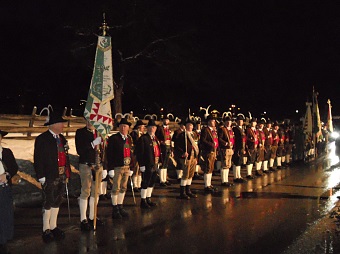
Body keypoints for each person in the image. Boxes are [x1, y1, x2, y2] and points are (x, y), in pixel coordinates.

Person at [34, 112, 71, 243]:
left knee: (57, 200)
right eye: (61, 123)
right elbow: (38, 159)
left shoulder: (62, 138)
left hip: (61, 174)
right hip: (49, 175)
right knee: (48, 201)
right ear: (54, 124)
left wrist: (67, 172)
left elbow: (66, 157)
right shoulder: (42, 139)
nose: (63, 126)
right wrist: (41, 176)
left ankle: (53, 225)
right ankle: (46, 229)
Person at [75, 120, 105, 231]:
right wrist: (92, 144)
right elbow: (80, 150)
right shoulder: (81, 132)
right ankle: (83, 219)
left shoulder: (99, 133)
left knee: (96, 192)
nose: (89, 122)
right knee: (85, 191)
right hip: (86, 165)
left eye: (92, 120)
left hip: (98, 165)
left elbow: (103, 151)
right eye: (87, 120)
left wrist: (104, 166)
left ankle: (93, 216)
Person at [107, 118, 134, 219]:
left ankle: (120, 206)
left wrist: (132, 166)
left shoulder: (129, 138)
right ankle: (115, 208)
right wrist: (110, 168)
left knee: (123, 187)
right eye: (121, 126)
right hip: (117, 167)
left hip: (126, 166)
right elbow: (109, 154)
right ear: (118, 127)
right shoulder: (114, 138)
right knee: (116, 188)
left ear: (128, 128)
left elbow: (131, 153)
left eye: (125, 126)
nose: (123, 128)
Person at [135, 119, 161, 209]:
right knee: (145, 182)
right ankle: (143, 200)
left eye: (153, 127)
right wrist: (141, 165)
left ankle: (148, 198)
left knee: (152, 182)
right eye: (150, 127)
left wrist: (159, 161)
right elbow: (140, 153)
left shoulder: (155, 138)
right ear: (147, 128)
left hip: (155, 163)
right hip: (147, 164)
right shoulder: (143, 138)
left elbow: (158, 150)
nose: (152, 129)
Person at [0, 130, 18, 253]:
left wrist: (7, 174)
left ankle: (4, 239)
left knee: (5, 213)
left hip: (4, 187)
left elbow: (13, 167)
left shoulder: (6, 152)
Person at [174, 120, 199, 199]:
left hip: (193, 156)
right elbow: (177, 146)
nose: (190, 127)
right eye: (188, 125)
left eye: (191, 125)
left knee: (191, 174)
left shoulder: (194, 135)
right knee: (185, 174)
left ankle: (188, 190)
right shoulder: (182, 135)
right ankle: (182, 192)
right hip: (186, 157)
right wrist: (182, 153)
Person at [199, 115, 219, 193]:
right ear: (208, 122)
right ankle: (206, 186)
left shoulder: (213, 130)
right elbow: (203, 140)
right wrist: (211, 144)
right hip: (208, 151)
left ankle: (209, 184)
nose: (214, 122)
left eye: (214, 121)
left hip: (213, 150)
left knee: (211, 168)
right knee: (208, 167)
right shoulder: (205, 130)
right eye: (212, 121)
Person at [155, 116, 172, 187]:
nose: (166, 121)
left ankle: (165, 179)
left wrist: (171, 149)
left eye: (167, 120)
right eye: (165, 120)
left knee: (166, 164)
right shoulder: (160, 128)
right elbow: (156, 137)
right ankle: (161, 180)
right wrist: (161, 142)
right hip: (162, 147)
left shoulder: (168, 129)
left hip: (168, 147)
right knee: (162, 163)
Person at [217, 116, 234, 186]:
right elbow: (219, 139)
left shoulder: (230, 130)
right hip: (225, 149)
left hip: (230, 148)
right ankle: (223, 181)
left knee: (228, 165)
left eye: (230, 122)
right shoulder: (222, 129)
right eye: (227, 122)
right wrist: (226, 143)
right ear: (224, 122)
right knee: (224, 165)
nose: (229, 123)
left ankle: (226, 180)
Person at [130, 120, 145, 192]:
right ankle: (135, 184)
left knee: (140, 169)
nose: (143, 128)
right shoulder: (133, 134)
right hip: (135, 153)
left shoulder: (142, 134)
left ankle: (139, 184)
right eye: (142, 127)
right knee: (135, 168)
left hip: (141, 153)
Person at [232, 115, 247, 183]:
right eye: (239, 121)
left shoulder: (242, 129)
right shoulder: (235, 128)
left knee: (239, 162)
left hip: (241, 147)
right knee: (236, 162)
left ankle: (239, 175)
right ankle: (236, 177)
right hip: (237, 147)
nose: (240, 122)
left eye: (241, 121)